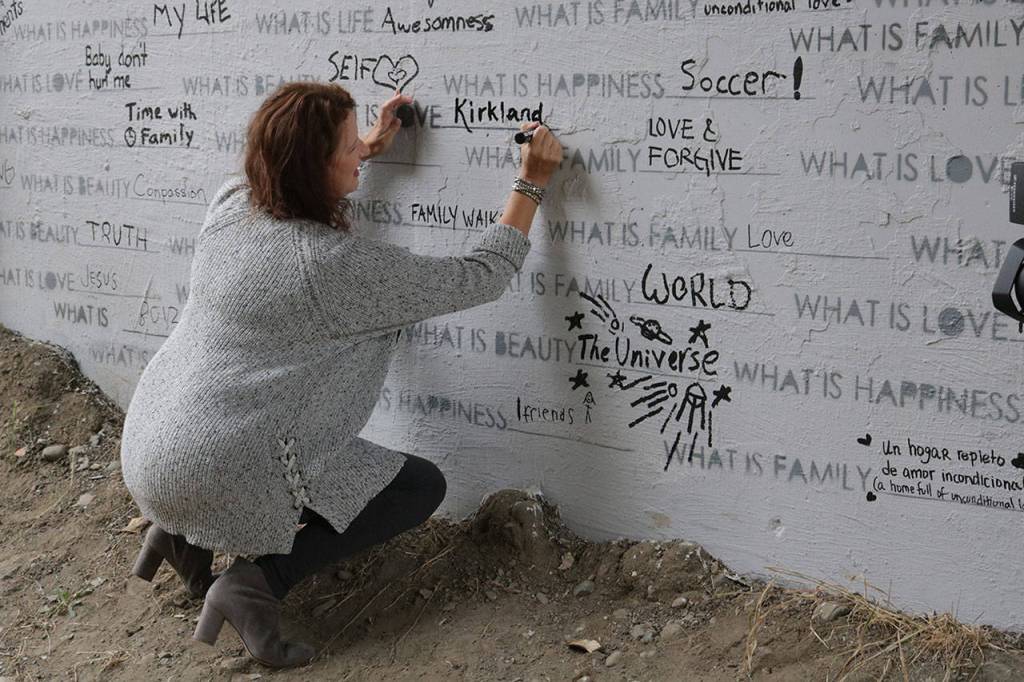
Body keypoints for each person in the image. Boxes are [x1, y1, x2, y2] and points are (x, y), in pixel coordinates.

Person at [118, 81, 563, 669]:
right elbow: (481, 274)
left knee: (250, 440)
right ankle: (254, 583)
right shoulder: (333, 267)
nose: (363, 151)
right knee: (418, 488)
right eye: (349, 147)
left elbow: (299, 202)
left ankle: (181, 535)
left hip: (150, 446)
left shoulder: (232, 203)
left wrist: (364, 149)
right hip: (214, 467)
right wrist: (532, 180)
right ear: (312, 165)